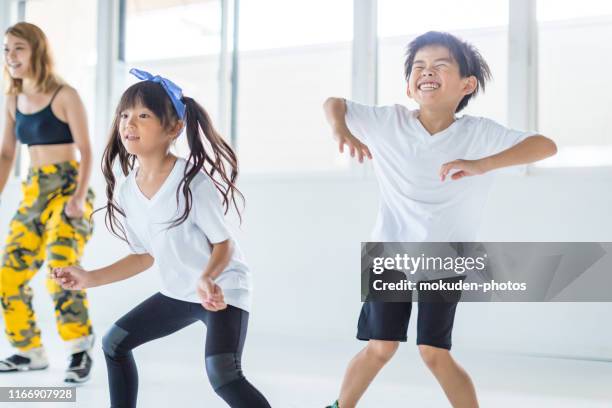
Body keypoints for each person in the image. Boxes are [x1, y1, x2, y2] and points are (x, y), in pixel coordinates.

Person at [323, 31, 557, 408]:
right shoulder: (389, 121)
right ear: (409, 85)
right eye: (419, 67)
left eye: (439, 65)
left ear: (467, 84)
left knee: (434, 352)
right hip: (388, 254)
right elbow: (334, 103)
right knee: (380, 348)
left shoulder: (479, 133)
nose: (427, 72)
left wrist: (481, 164)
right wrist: (341, 130)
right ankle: (339, 405)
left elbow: (545, 145)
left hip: (445, 257)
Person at [53, 68, 271, 408]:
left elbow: (223, 243)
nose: (129, 124)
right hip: (179, 292)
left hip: (221, 290)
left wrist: (208, 277)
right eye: (124, 115)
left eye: (143, 115)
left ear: (173, 127)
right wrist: (89, 277)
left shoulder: (191, 181)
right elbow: (143, 256)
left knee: (223, 375)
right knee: (115, 344)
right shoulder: (128, 189)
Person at [0, 22, 95, 383]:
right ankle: (28, 350)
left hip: (68, 187)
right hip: (34, 192)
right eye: (6, 49)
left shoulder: (64, 95)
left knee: (61, 265)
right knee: (9, 270)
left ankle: (79, 347)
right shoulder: (13, 99)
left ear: (37, 50)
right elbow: (7, 154)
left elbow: (86, 151)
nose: (10, 56)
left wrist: (76, 199)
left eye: (18, 48)